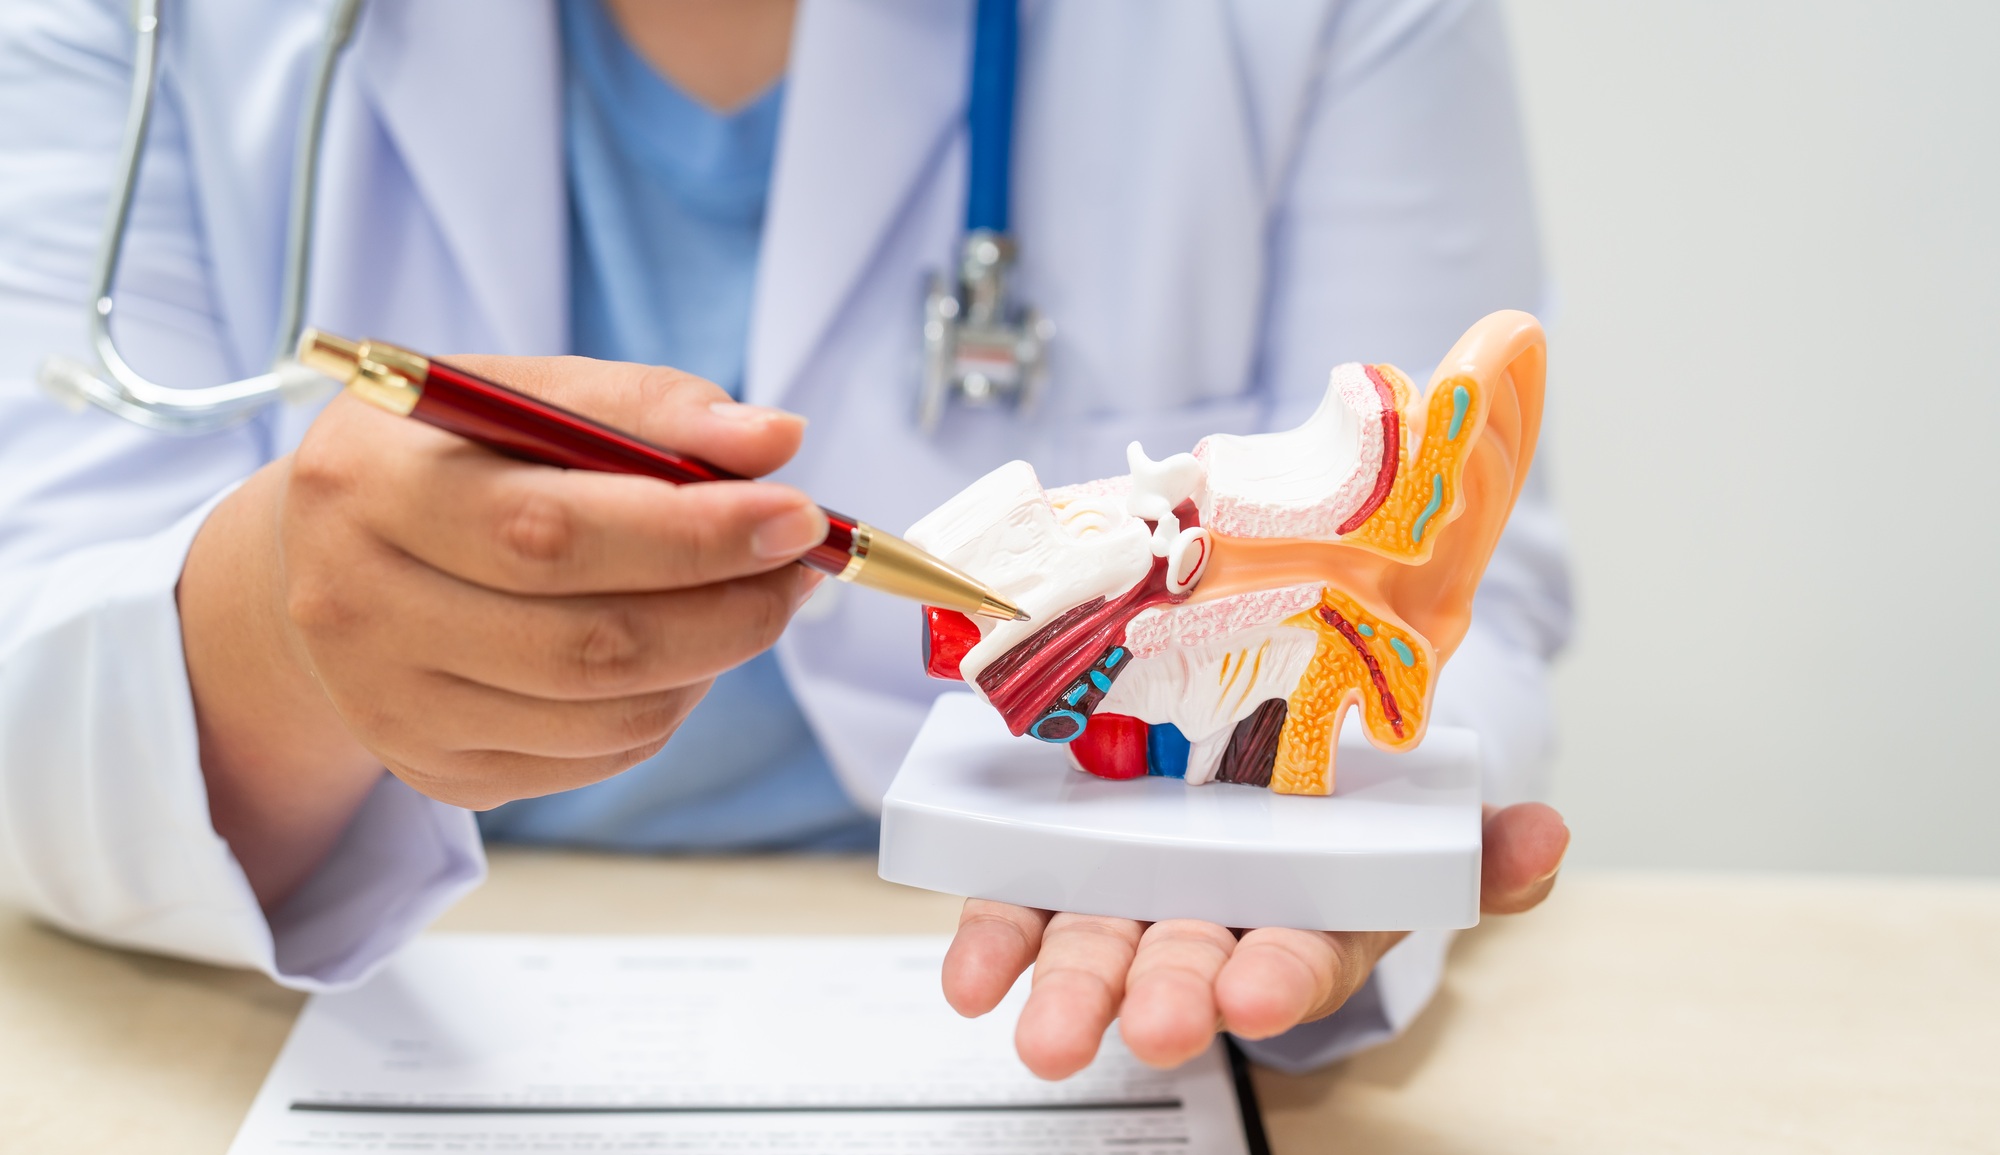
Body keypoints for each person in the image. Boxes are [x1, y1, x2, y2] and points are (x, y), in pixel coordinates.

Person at [0, 0, 1570, 1080]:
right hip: (395, 1003)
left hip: (1049, 1021)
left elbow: (1462, 585)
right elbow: (34, 637)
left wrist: (1340, 811)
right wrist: (276, 640)